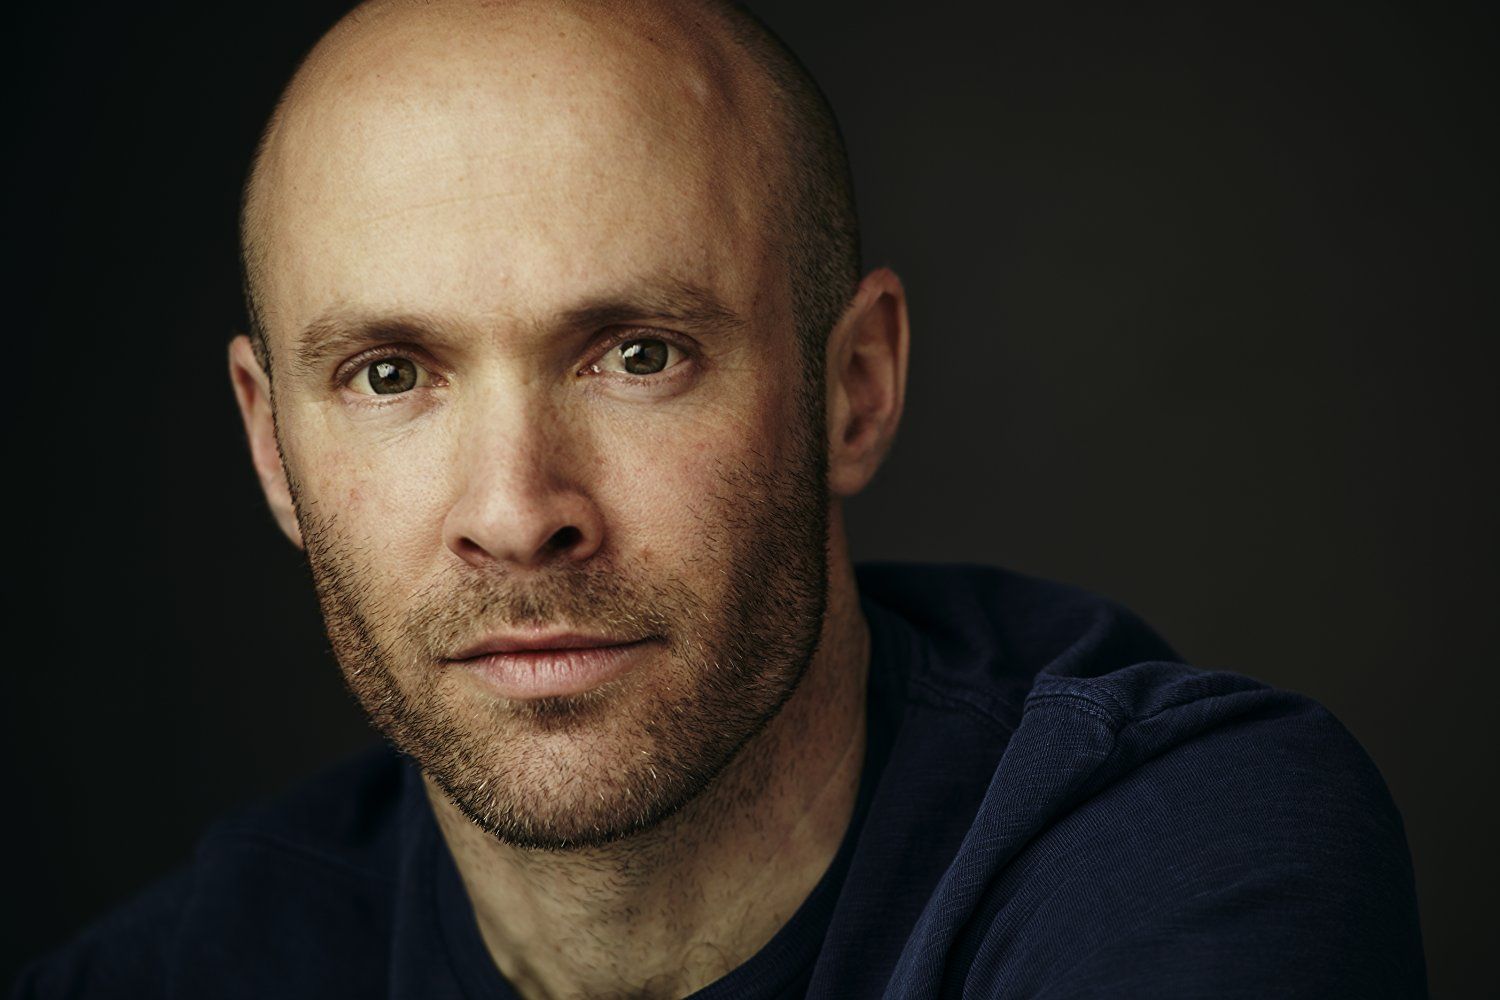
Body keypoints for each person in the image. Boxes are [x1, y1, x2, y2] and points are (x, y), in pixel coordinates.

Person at [13, 0, 1427, 997]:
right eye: (390, 375)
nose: (517, 511)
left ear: (854, 387)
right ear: (273, 448)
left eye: (639, 355)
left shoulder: (1177, 856)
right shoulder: (193, 966)